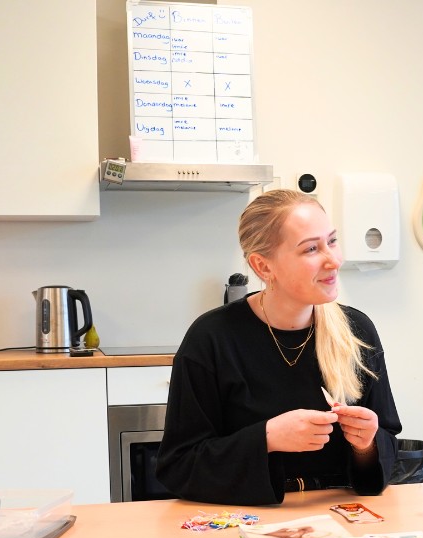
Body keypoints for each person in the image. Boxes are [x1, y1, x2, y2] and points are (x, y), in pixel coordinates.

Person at [157, 189, 402, 505]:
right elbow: (179, 467)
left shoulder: (357, 331)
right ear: (263, 267)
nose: (334, 260)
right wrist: (267, 438)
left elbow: (387, 449)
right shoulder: (211, 338)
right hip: (251, 519)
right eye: (311, 248)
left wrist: (367, 444)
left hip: (340, 513)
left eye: (332, 241)